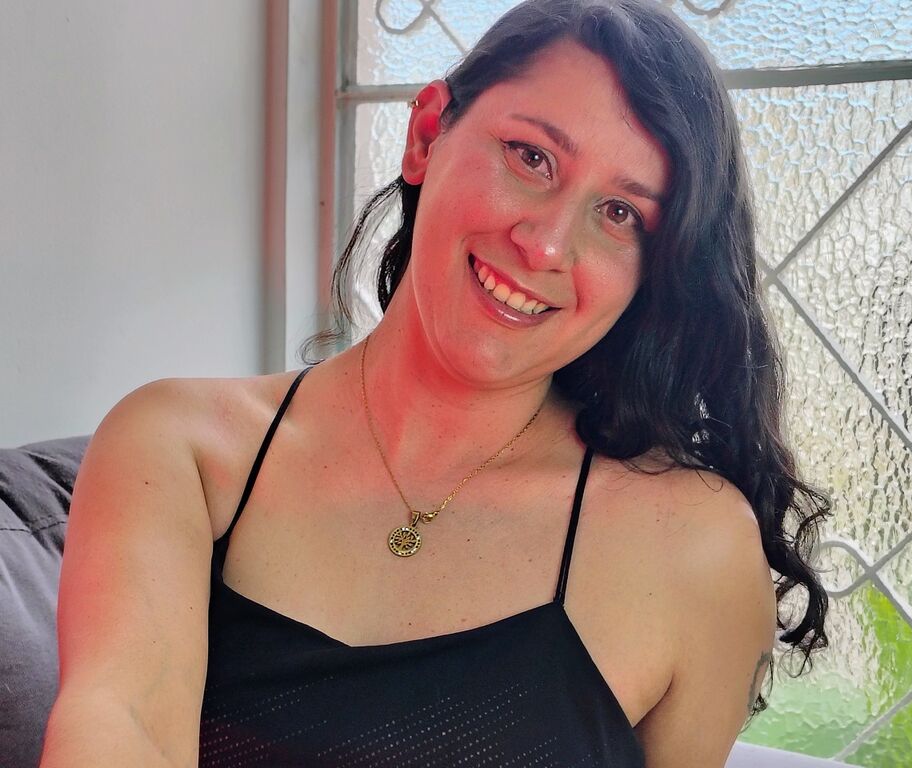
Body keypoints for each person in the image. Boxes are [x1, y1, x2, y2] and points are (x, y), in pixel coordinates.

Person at [41, 1, 831, 766]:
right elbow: (121, 728)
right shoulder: (178, 450)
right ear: (426, 134)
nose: (546, 245)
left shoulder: (697, 550)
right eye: (531, 157)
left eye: (621, 213)